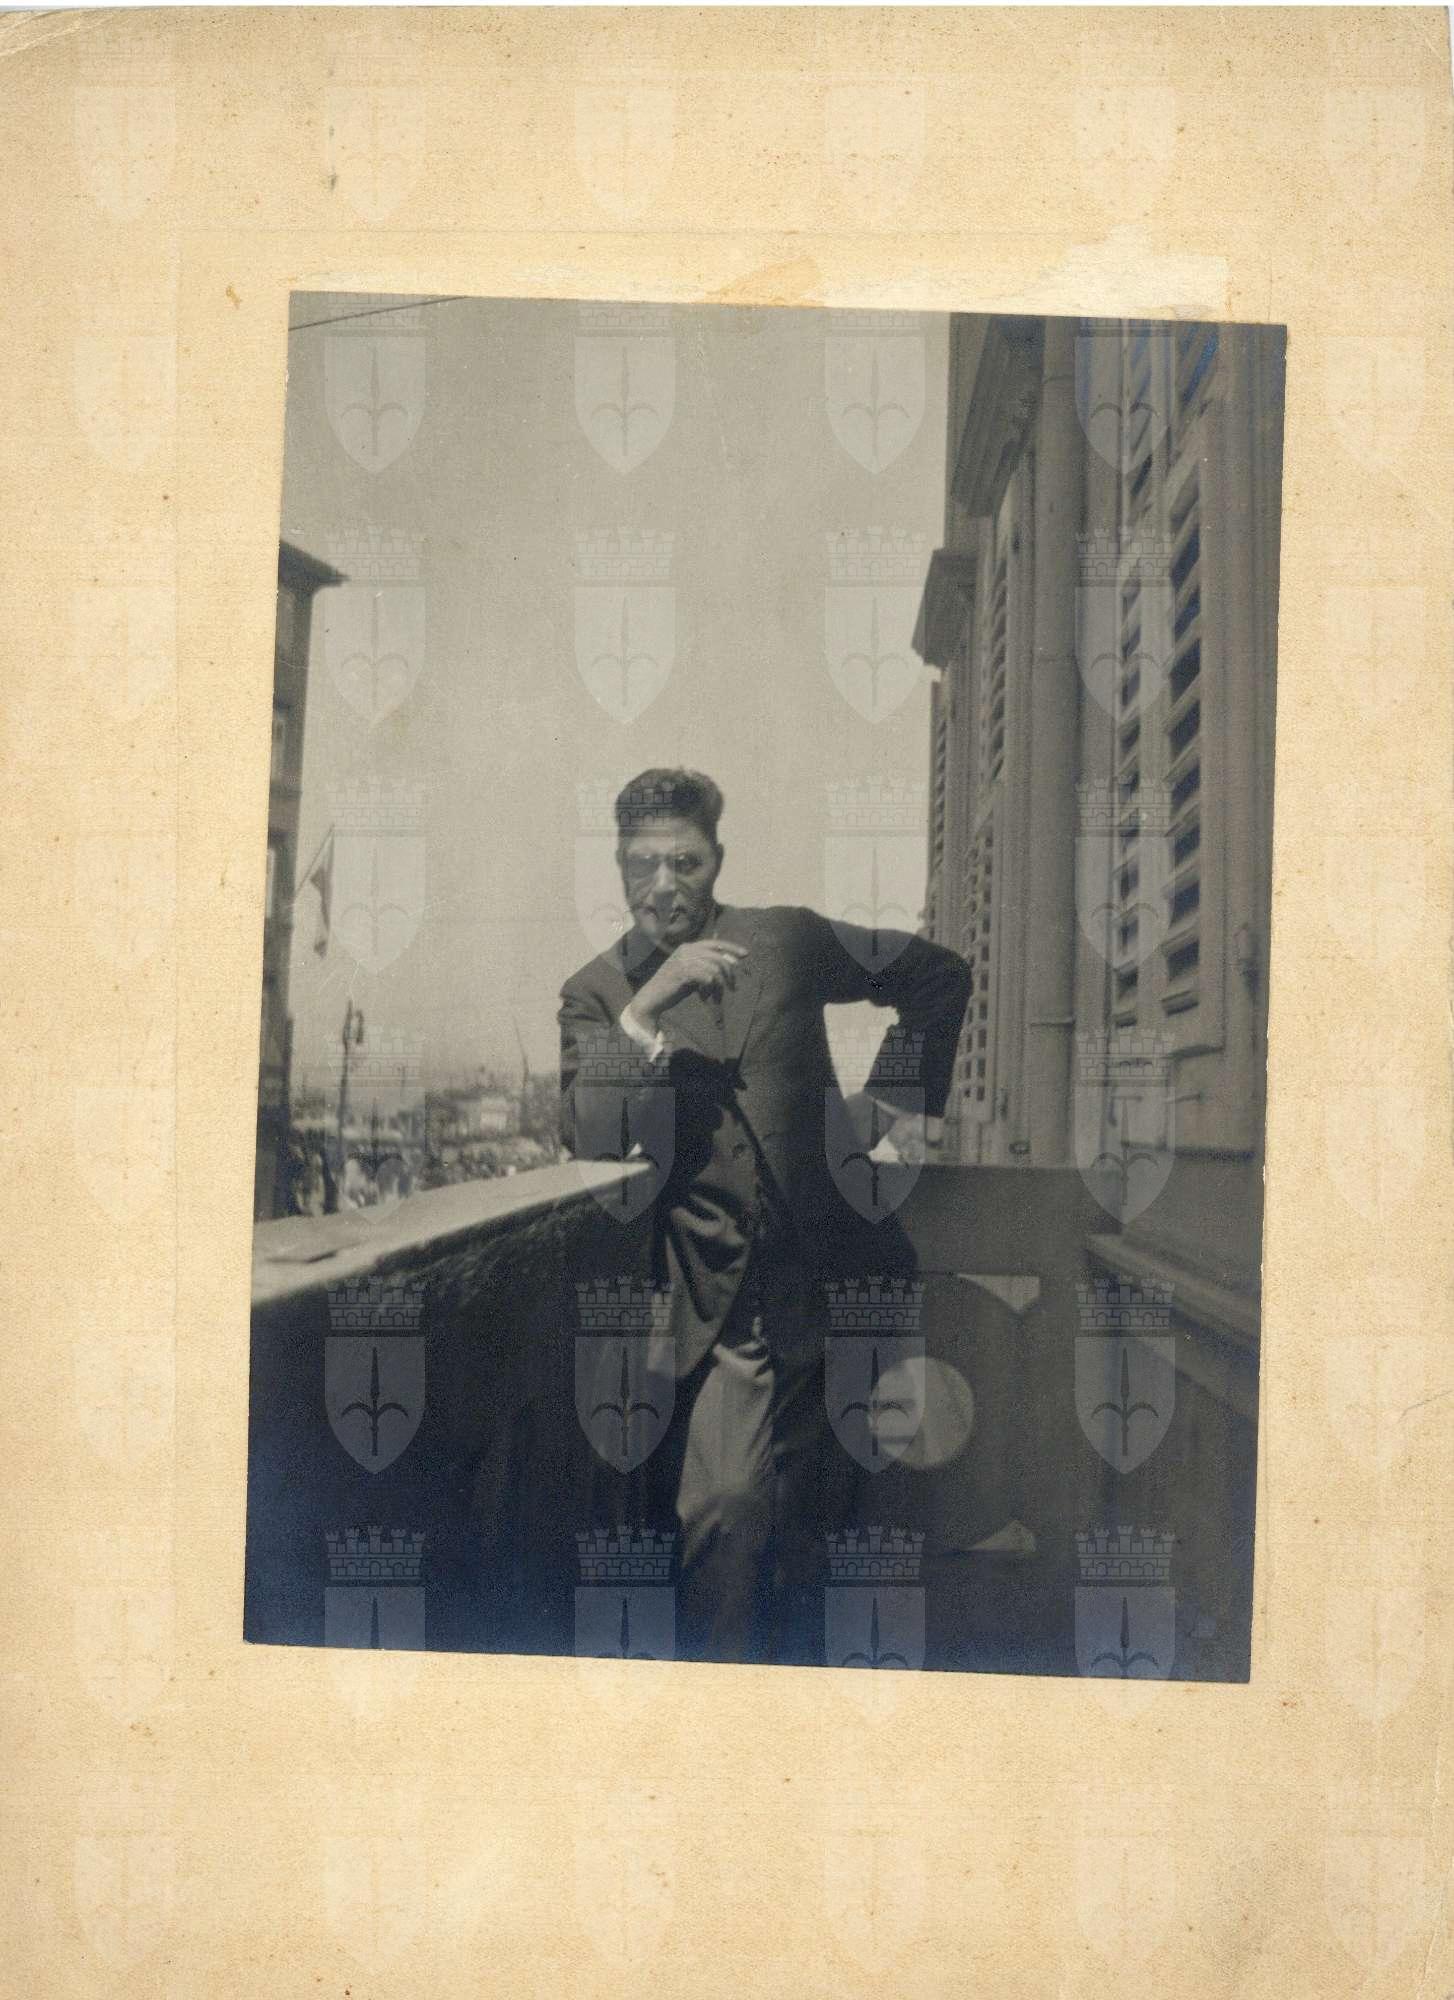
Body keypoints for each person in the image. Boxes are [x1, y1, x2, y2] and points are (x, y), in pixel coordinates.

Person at [558, 768, 973, 1665]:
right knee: (727, 1514)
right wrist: (646, 1008)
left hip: (847, 1288)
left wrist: (886, 1104)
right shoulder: (598, 994)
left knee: (841, 1539)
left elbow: (939, 978)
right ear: (618, 867)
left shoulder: (783, 941)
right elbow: (590, 1131)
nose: (664, 886)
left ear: (717, 860)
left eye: (685, 863)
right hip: (725, 1314)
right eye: (642, 866)